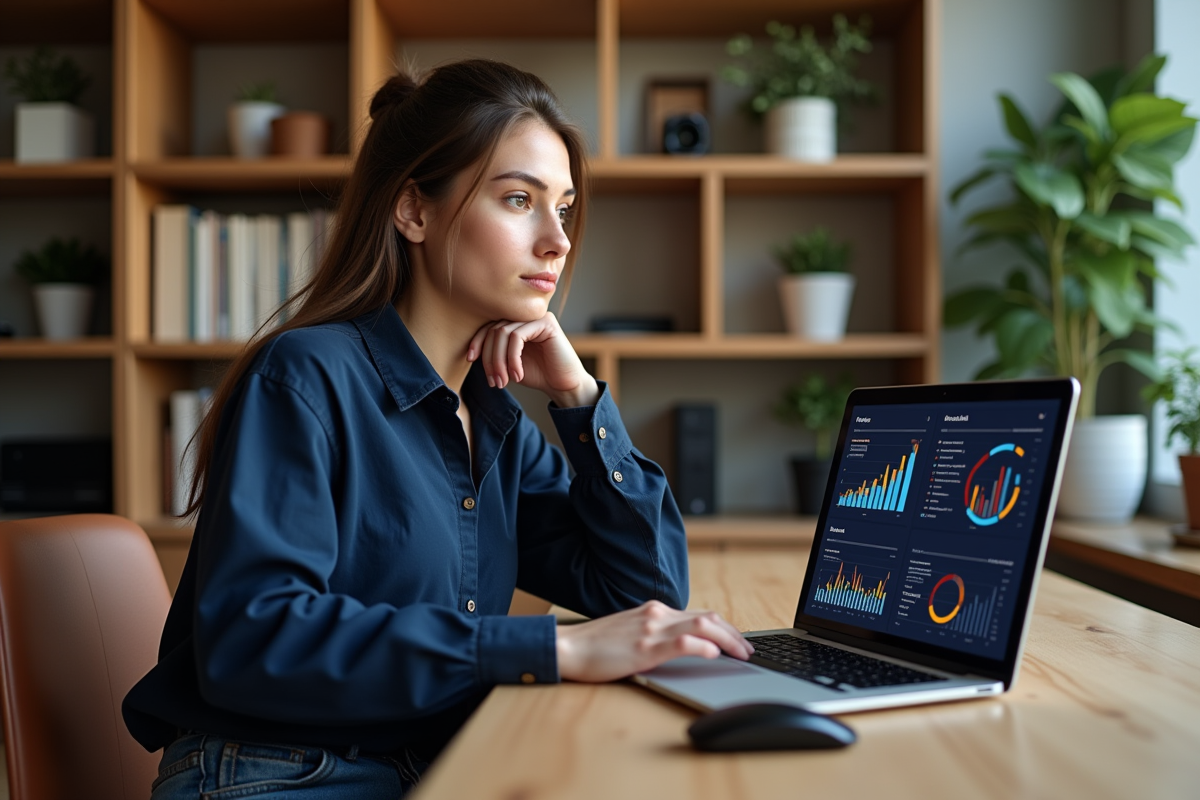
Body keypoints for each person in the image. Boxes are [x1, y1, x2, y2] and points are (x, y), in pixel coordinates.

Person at [123, 60, 753, 798]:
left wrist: (581, 401)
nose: (557, 241)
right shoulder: (305, 375)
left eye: (566, 209)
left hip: (427, 764)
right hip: (279, 773)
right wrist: (551, 646)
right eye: (519, 199)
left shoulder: (493, 417)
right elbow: (256, 637)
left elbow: (644, 592)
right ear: (414, 212)